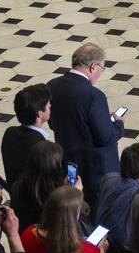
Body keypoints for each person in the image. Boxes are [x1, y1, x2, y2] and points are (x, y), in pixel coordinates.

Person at [47, 40, 124, 208]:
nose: (100, 73)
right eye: (102, 69)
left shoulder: (52, 86)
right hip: (96, 171)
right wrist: (118, 124)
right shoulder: (94, 95)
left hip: (68, 163)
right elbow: (105, 137)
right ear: (93, 67)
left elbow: (52, 123)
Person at [1, 83, 53, 189]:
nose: (50, 106)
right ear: (39, 113)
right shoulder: (43, 147)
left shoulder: (9, 133)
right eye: (48, 105)